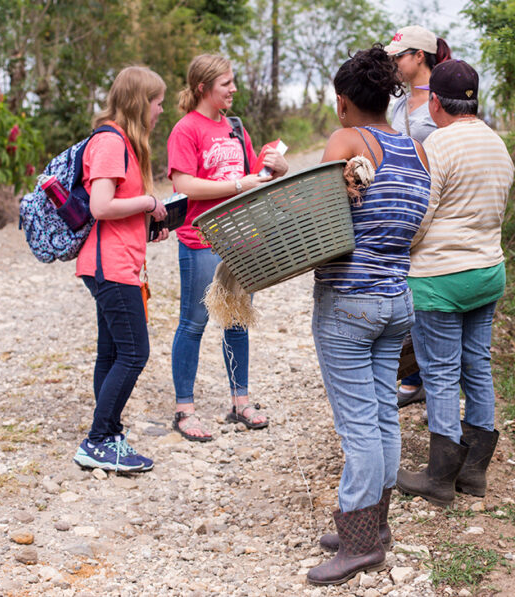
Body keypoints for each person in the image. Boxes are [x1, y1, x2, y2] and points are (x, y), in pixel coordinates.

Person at [307, 45, 431, 586]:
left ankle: (359, 547)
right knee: (382, 415)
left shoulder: (347, 140)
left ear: (342, 102)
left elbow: (319, 219)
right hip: (396, 302)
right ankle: (372, 528)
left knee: (358, 425)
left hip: (348, 304)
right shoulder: (416, 152)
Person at [395, 60, 514, 507]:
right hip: (488, 272)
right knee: (477, 366)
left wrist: (406, 249)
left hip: (441, 278)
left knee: (441, 373)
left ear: (435, 102)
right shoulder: (497, 144)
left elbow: (422, 215)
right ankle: (475, 473)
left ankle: (440, 479)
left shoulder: (436, 144)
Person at [165, 54, 289, 441]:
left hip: (241, 239)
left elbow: (256, 176)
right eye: (225, 83)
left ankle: (241, 402)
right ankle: (184, 411)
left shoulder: (236, 127)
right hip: (200, 240)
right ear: (203, 88)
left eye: (232, 81)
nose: (233, 89)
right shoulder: (185, 130)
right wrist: (239, 185)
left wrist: (277, 170)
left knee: (237, 320)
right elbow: (184, 186)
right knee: (194, 322)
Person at [72, 65, 170, 472]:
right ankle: (98, 439)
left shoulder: (125, 143)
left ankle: (108, 435)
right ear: (139, 102)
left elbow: (116, 209)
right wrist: (148, 203)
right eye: (158, 102)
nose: (161, 110)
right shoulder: (111, 142)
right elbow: (100, 206)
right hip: (109, 266)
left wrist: (150, 224)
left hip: (116, 261)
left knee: (111, 352)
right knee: (134, 353)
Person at [383, 25, 452, 409]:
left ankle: (431, 376)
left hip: (435, 208)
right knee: (405, 292)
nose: (394, 62)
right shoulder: (397, 104)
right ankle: (413, 375)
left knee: (428, 293)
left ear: (419, 56)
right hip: (402, 208)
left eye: (399, 55)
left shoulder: (440, 103)